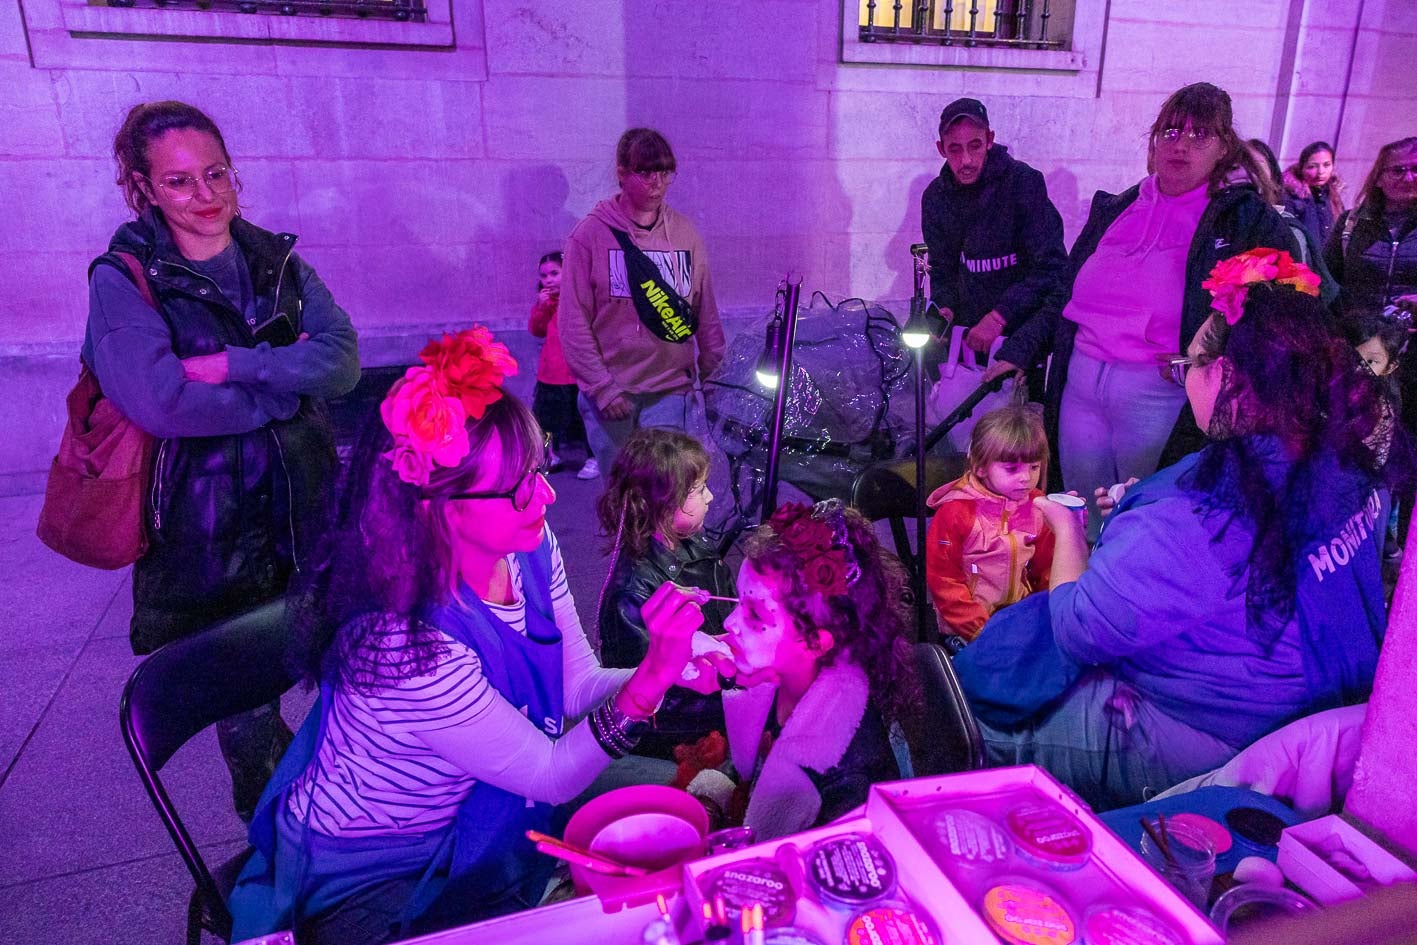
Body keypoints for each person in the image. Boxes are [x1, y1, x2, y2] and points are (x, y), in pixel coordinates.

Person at [230, 328, 707, 945]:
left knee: (684, 804)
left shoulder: (530, 547)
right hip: (378, 866)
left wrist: (680, 663)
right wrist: (648, 683)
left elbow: (575, 687)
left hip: (486, 803)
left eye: (538, 467)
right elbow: (552, 772)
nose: (547, 494)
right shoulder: (399, 643)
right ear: (437, 507)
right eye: (517, 488)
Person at [960, 255, 1397, 811]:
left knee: (969, 715)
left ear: (1228, 375)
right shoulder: (1350, 454)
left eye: (1183, 365)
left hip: (1226, 741)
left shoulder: (1190, 515)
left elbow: (1078, 628)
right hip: (1330, 706)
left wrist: (1069, 530)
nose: (1182, 376)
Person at [85, 101, 360, 819]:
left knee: (355, 676)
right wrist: (276, 388)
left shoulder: (278, 261)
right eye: (179, 182)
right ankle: (278, 869)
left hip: (309, 509)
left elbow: (340, 364)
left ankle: (361, 827)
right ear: (143, 188)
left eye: (216, 173)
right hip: (209, 536)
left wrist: (235, 363)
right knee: (251, 724)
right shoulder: (126, 277)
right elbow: (163, 400)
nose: (205, 195)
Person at [990, 83, 1295, 533]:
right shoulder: (1117, 209)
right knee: (1081, 520)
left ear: (1224, 147)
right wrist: (1018, 349)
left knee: (1142, 521)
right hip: (1080, 384)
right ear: (1152, 144)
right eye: (1170, 133)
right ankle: (1085, 598)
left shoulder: (1245, 220)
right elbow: (1065, 293)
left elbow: (1291, 308)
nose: (1181, 146)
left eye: (1199, 135)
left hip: (1159, 394)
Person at [694, 501, 917, 841]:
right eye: (738, 603)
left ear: (815, 642)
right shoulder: (776, 680)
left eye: (755, 615)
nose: (728, 623)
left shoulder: (843, 778)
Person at [559, 128, 725, 470]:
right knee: (622, 501)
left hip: (670, 390)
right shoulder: (589, 237)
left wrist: (714, 379)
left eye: (665, 173)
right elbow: (573, 321)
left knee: (668, 496)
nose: (657, 183)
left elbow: (704, 311)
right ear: (622, 173)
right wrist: (603, 389)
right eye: (645, 173)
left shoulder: (685, 233)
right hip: (613, 395)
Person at [596, 428, 735, 758]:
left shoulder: (700, 546)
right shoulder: (631, 592)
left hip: (717, 691)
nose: (710, 498)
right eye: (699, 490)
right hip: (678, 731)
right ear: (657, 504)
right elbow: (647, 691)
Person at [921, 98, 1068, 367]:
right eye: (955, 149)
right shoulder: (935, 198)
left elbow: (1051, 268)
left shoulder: (1024, 183)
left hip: (1019, 342)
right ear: (941, 149)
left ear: (989, 139)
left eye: (974, 146)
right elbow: (943, 268)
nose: (966, 160)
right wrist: (944, 309)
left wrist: (1000, 317)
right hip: (964, 343)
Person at [925, 403, 1056, 647]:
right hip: (966, 629)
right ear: (980, 467)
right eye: (1012, 468)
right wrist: (982, 631)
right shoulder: (955, 513)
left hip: (1019, 620)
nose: (1026, 478)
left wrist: (1045, 617)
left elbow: (1047, 570)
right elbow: (944, 581)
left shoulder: (1038, 506)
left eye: (1034, 467)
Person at [1325, 137, 1417, 435]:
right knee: (1350, 432)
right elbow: (1327, 282)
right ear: (1378, 177)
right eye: (1398, 170)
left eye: (1416, 169)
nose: (1409, 177)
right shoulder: (1352, 225)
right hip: (1358, 349)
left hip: (1412, 356)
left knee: (1406, 435)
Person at [527, 250, 591, 474]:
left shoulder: (578, 298)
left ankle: (592, 457)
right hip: (549, 374)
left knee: (583, 418)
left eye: (554, 273)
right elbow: (536, 330)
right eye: (544, 276)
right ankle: (548, 455)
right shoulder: (545, 302)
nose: (549, 280)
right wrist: (542, 306)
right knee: (543, 421)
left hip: (574, 373)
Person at [1284, 140, 1345, 247]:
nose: (1321, 172)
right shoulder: (1291, 196)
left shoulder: (1333, 196)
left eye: (1326, 165)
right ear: (1302, 168)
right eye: (1312, 167)